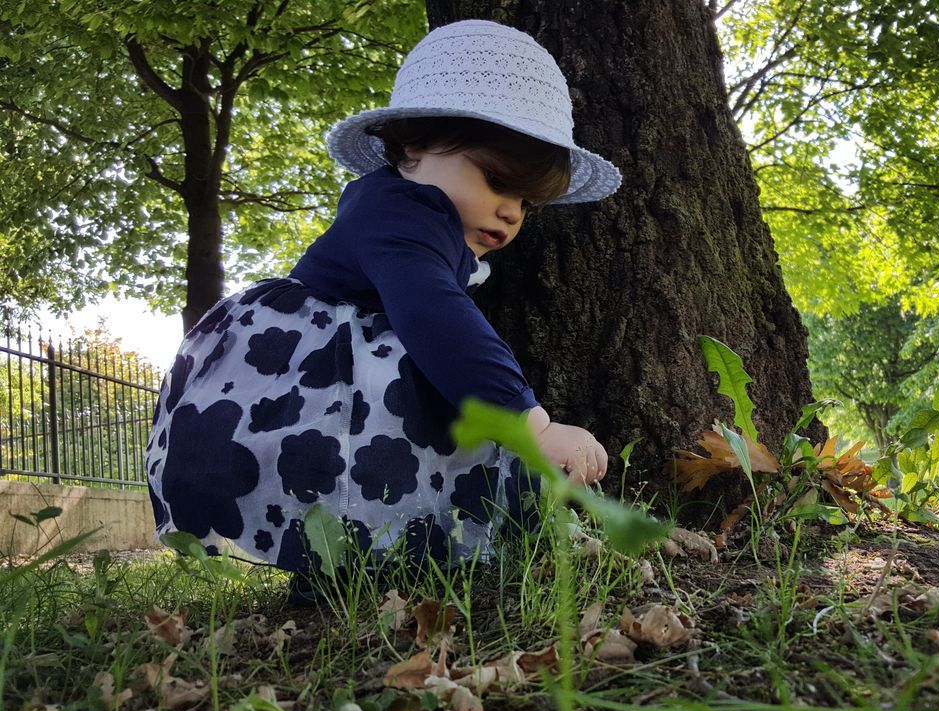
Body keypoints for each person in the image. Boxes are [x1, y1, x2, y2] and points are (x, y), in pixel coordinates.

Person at [144, 20, 621, 594]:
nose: (512, 212)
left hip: (352, 363)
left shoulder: (406, 213)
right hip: (317, 368)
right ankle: (345, 567)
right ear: (413, 145)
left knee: (393, 446)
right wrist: (532, 425)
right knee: (349, 449)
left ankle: (376, 561)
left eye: (524, 199)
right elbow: (437, 319)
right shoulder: (403, 214)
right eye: (498, 180)